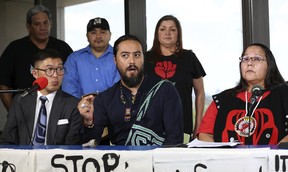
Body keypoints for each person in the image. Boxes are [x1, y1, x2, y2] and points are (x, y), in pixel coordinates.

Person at [78, 35, 184, 146]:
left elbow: (175, 138)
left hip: (156, 161)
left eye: (137, 55)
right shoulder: (105, 98)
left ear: (143, 57)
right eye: (125, 56)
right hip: (120, 162)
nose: (132, 61)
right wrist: (88, 122)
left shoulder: (165, 90)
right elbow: (91, 143)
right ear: (115, 60)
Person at [197, 43, 288, 145]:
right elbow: (204, 134)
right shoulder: (222, 100)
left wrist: (277, 152)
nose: (249, 63)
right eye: (245, 59)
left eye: (257, 59)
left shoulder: (284, 95)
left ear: (269, 65)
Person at [144, 15, 206, 143]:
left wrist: (198, 127)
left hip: (182, 126)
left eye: (172, 29)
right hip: (150, 128)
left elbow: (200, 92)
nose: (167, 33)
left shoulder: (189, 58)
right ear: (156, 34)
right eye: (163, 29)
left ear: (178, 34)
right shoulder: (145, 59)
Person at [0, 48, 82, 145]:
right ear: (35, 73)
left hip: (56, 158)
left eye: (60, 69)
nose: (55, 75)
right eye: (49, 70)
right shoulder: (20, 100)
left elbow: (73, 144)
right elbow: (8, 139)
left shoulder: (72, 104)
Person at [0, 5, 73, 112]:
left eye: (45, 22)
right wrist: (13, 113)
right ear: (28, 27)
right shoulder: (15, 48)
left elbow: (73, 81)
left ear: (50, 23)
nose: (42, 27)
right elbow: (3, 84)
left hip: (58, 111)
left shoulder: (62, 47)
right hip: (25, 111)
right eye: (37, 24)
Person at [62, 17, 120, 98]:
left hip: (113, 108)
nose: (98, 36)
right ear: (87, 36)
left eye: (102, 32)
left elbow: (121, 87)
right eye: (93, 33)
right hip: (79, 108)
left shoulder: (119, 56)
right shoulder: (74, 59)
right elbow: (68, 86)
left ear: (110, 35)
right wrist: (81, 106)